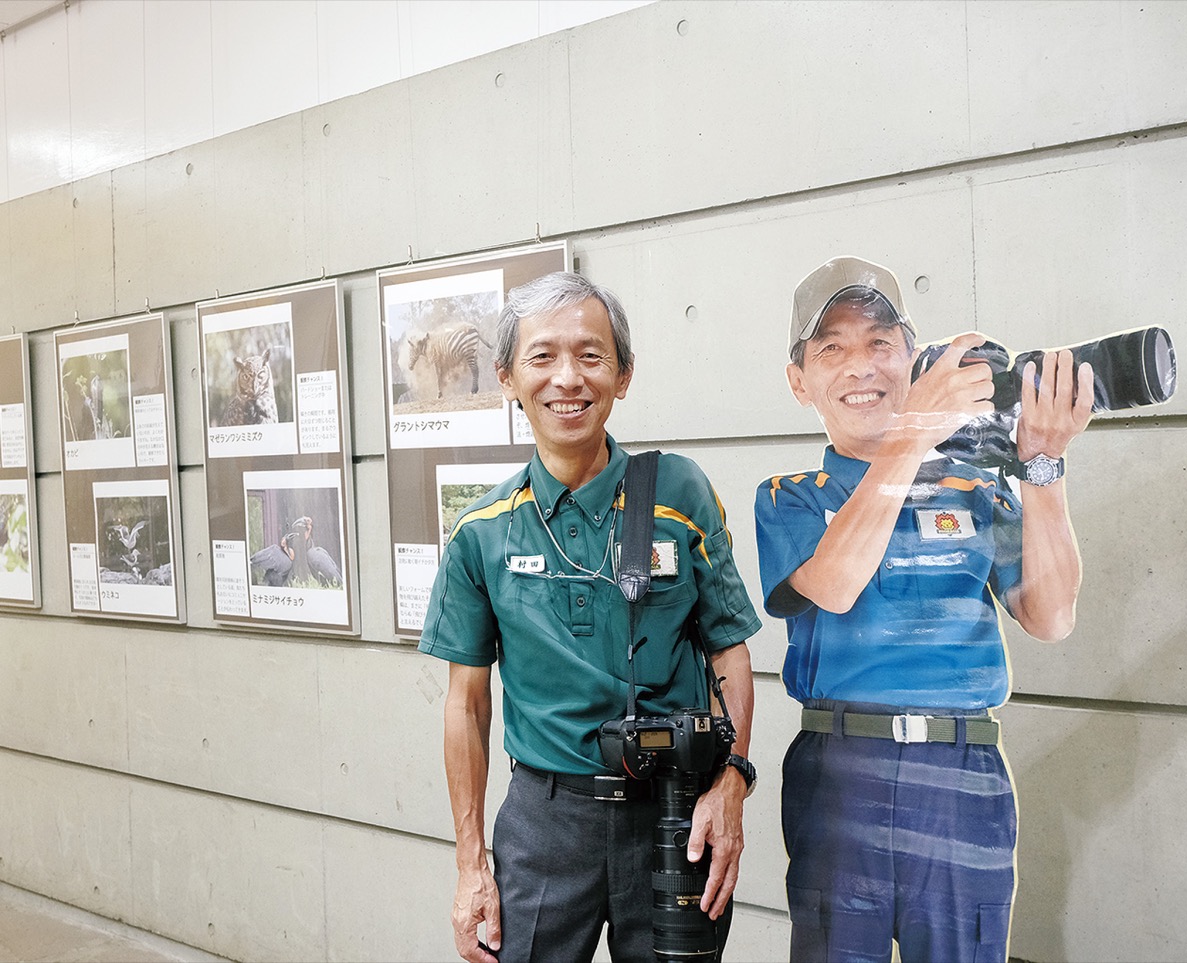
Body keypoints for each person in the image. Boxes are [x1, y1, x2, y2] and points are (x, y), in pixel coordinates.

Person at [754, 255, 1093, 963]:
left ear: (911, 357)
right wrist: (913, 435)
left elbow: (1052, 615)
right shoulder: (792, 495)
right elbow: (837, 583)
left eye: (881, 343)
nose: (861, 366)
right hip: (841, 773)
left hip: (962, 775)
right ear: (799, 382)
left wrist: (1041, 466)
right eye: (833, 349)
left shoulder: (971, 486)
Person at [420, 271, 761, 963]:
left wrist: (732, 785)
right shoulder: (480, 533)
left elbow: (730, 655)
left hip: (673, 814)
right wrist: (469, 865)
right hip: (546, 823)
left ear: (624, 375)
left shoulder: (682, 494)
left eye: (591, 355)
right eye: (542, 357)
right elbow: (467, 703)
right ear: (508, 377)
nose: (567, 378)